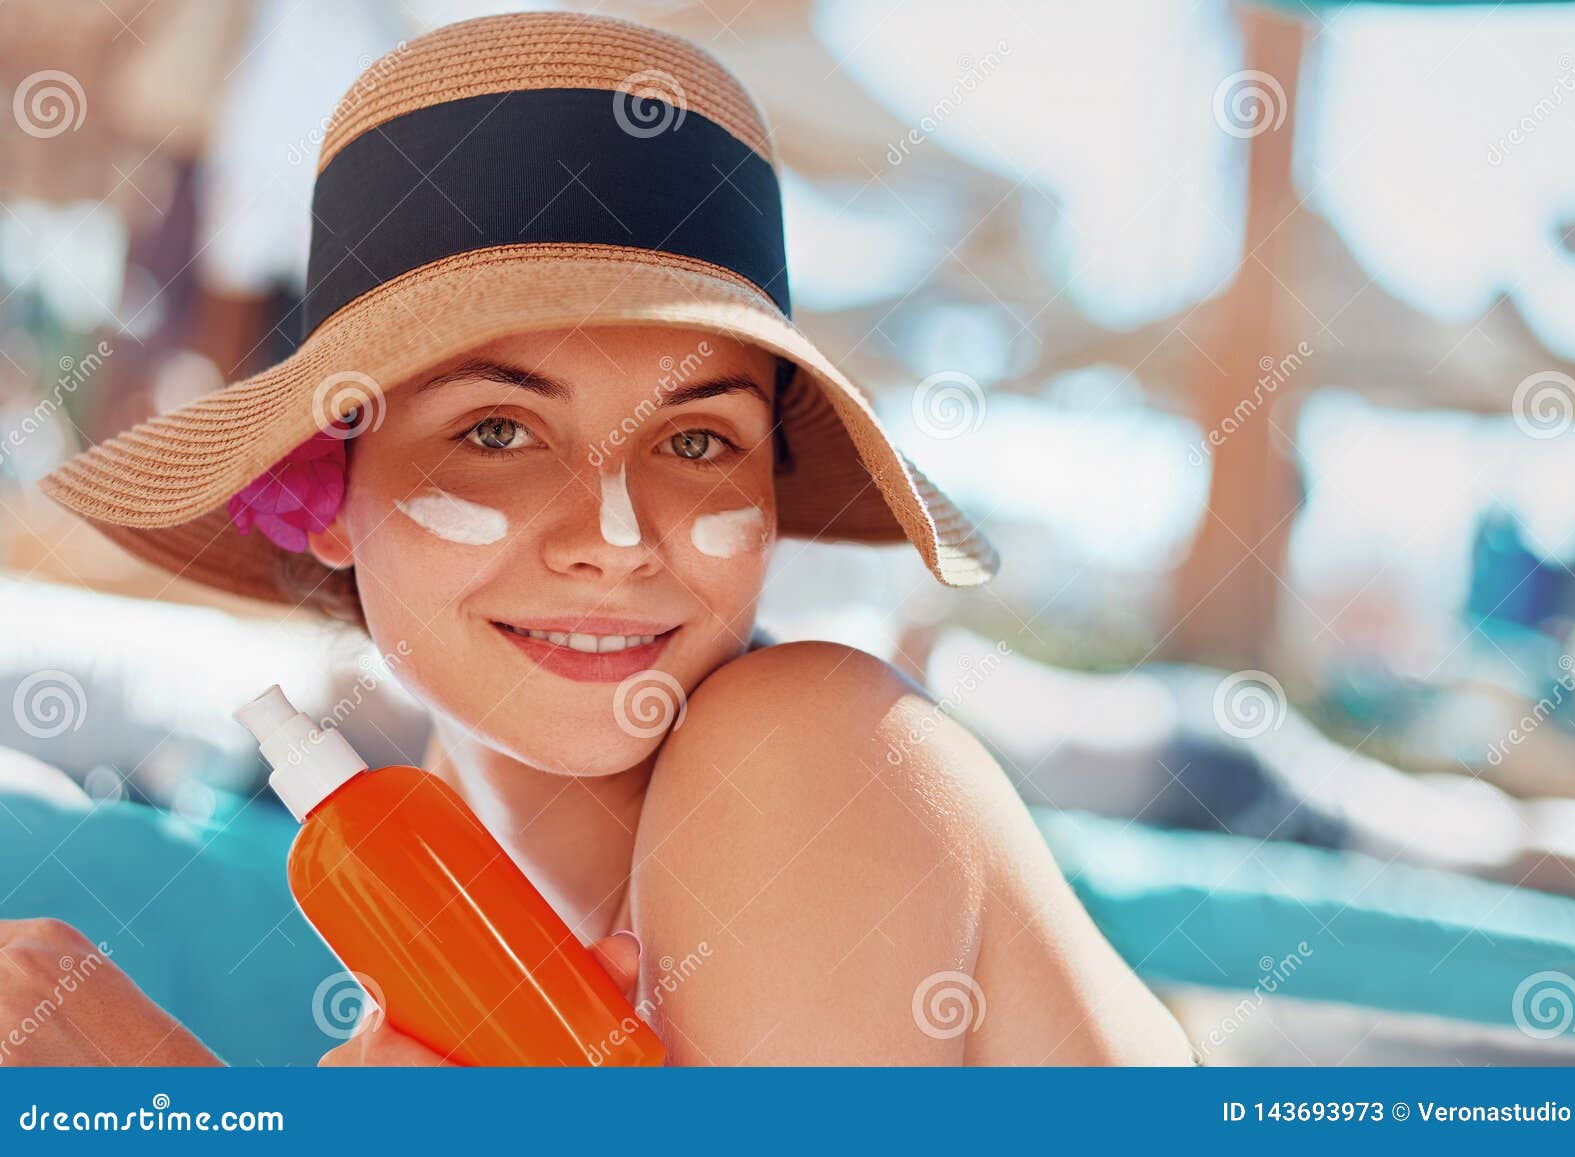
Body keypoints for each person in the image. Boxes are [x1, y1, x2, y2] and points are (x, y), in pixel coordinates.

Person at [14, 11, 1191, 1066]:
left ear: (770, 495)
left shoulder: (804, 754)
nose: (616, 538)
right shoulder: (431, 875)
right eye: (496, 428)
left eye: (693, 442)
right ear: (319, 486)